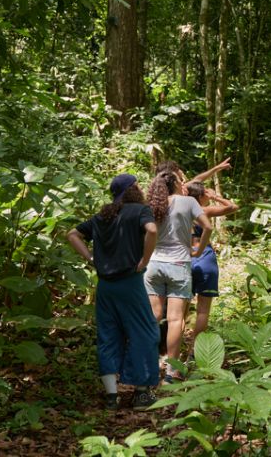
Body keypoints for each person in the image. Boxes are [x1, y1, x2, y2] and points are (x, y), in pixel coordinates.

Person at [66, 174, 159, 410]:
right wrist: (144, 260)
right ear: (132, 189)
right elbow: (152, 230)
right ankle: (141, 394)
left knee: (108, 335)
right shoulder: (139, 210)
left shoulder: (103, 216)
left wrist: (91, 258)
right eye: (137, 184)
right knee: (144, 332)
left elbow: (72, 234)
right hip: (130, 282)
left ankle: (111, 396)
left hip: (105, 285)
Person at [144, 170, 212, 383]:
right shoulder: (188, 202)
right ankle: (171, 372)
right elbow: (208, 226)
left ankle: (147, 366)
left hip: (154, 265)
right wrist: (198, 251)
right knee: (175, 319)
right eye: (180, 179)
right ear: (174, 183)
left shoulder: (152, 204)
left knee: (152, 318)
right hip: (179, 264)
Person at [185, 181, 238, 352]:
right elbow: (232, 206)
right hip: (204, 257)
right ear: (201, 196)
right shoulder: (204, 210)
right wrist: (216, 197)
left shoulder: (180, 210)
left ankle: (173, 352)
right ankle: (194, 350)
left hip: (185, 257)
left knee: (179, 312)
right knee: (203, 310)